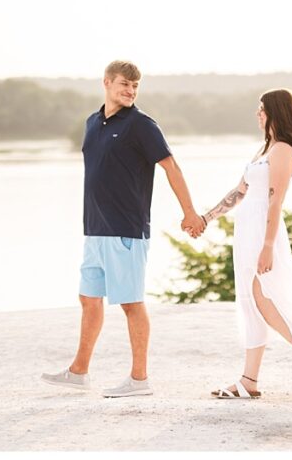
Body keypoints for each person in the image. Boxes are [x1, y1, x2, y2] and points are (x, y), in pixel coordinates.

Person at [42, 60, 206, 398]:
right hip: (94, 229)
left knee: (131, 303)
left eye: (135, 86)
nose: (130, 91)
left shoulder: (141, 125)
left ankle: (139, 380)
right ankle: (79, 371)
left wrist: (189, 212)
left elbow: (170, 166)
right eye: (124, 85)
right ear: (106, 83)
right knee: (89, 299)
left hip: (126, 231)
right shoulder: (92, 122)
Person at [193, 88, 292, 399]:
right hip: (247, 233)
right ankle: (248, 381)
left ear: (276, 111)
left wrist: (267, 246)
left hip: (264, 235)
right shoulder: (264, 150)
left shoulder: (283, 151)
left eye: (262, 109)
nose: (257, 114)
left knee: (270, 303)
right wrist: (206, 218)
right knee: (251, 303)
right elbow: (239, 192)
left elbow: (274, 203)